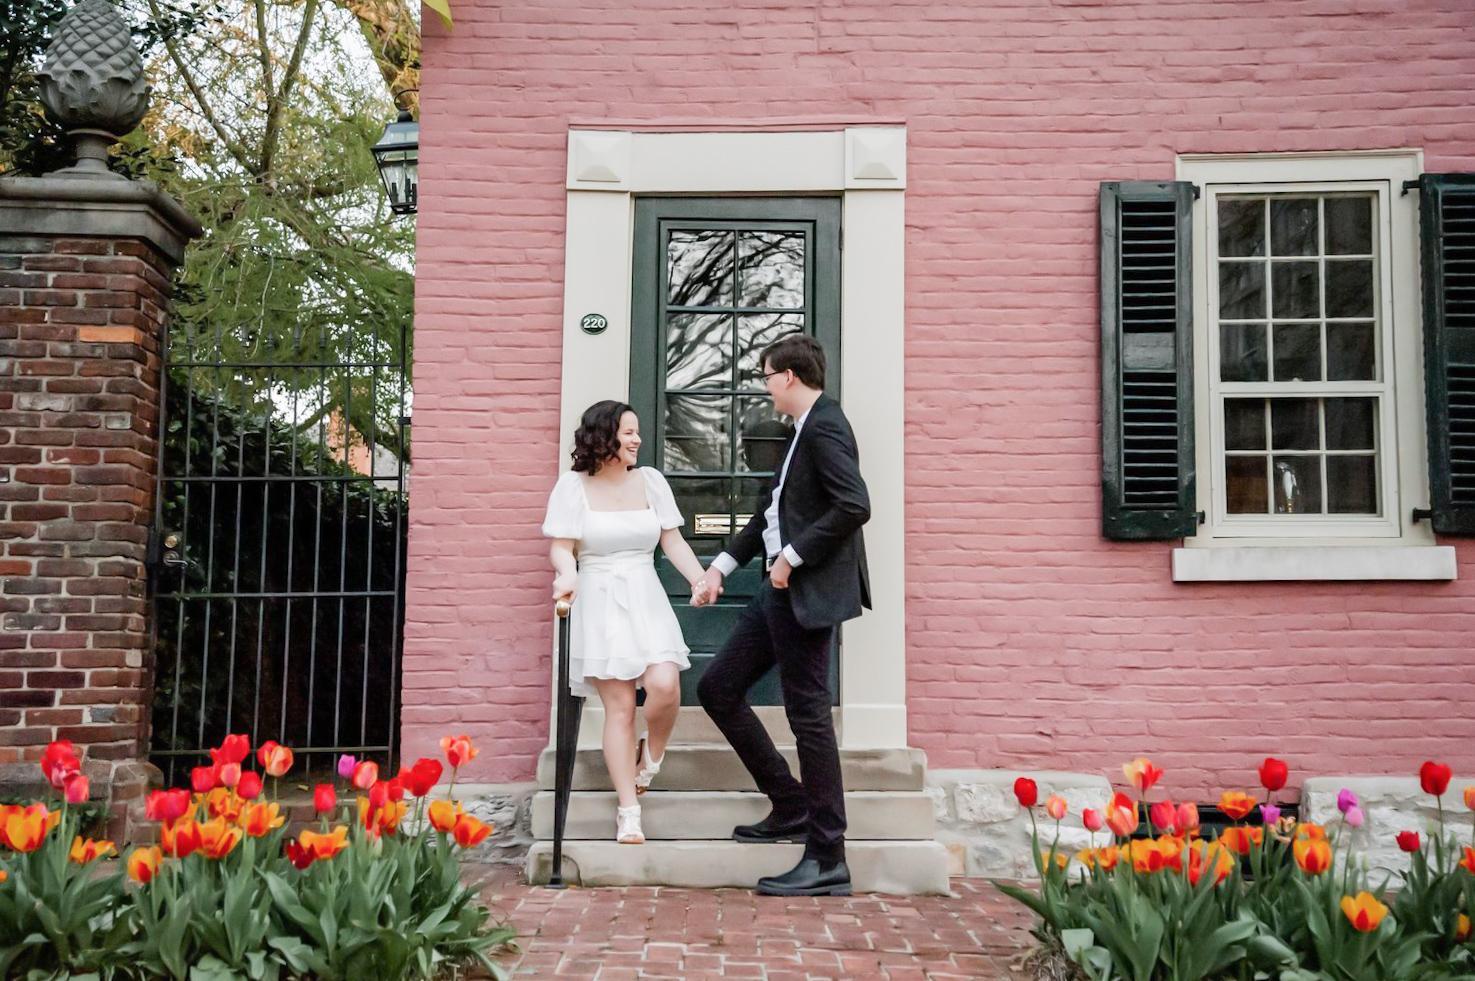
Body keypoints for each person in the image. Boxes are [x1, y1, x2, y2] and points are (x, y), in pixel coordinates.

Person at [692, 334, 871, 896]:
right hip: (776, 592)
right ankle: (791, 804)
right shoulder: (799, 432)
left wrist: (792, 557)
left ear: (788, 376)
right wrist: (720, 567)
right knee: (719, 688)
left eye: (767, 376)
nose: (765, 387)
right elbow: (767, 515)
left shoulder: (827, 427)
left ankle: (828, 856)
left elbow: (854, 504)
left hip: (801, 589)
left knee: (808, 716)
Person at [543, 400, 708, 844]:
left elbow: (672, 541)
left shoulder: (650, 481)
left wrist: (698, 579)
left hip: (645, 594)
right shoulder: (572, 487)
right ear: (604, 436)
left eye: (636, 432)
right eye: (629, 432)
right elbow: (561, 547)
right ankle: (628, 809)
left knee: (665, 684)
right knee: (620, 708)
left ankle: (651, 755)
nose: (637, 440)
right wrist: (568, 572)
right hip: (599, 598)